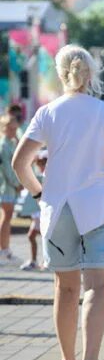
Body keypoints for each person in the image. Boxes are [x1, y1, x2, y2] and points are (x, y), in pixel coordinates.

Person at [12, 44, 104, 360]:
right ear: (91, 72)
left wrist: (38, 193)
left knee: (65, 288)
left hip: (58, 207)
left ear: (59, 72)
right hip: (98, 206)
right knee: (97, 286)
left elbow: (19, 164)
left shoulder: (47, 113)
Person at [19, 151, 47, 270]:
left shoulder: (47, 176)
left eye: (41, 163)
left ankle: (45, 260)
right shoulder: (40, 175)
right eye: (39, 163)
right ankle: (35, 260)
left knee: (41, 236)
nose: (39, 166)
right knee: (34, 236)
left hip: (44, 211)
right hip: (38, 212)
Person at [0, 113, 21, 266]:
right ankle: (4, 250)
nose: (14, 131)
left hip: (10, 188)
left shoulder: (11, 143)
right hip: (5, 188)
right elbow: (8, 169)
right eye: (11, 128)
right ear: (3, 128)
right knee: (5, 219)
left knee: (7, 219)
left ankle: (5, 249)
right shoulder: (3, 145)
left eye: (15, 128)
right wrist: (17, 183)